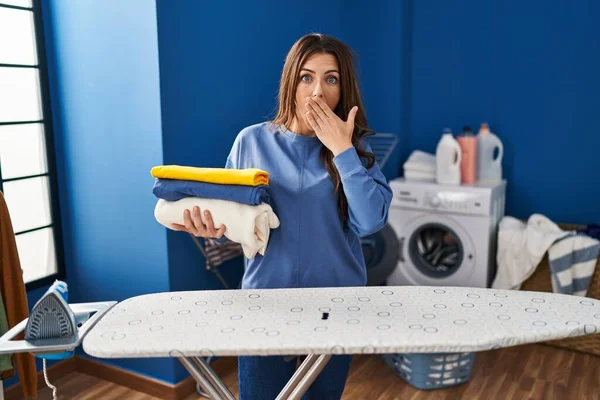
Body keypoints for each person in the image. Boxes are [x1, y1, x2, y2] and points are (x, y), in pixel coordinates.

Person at [172, 33, 393, 400]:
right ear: (291, 82)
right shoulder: (251, 142)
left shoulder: (355, 149)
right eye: (306, 77)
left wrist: (341, 149)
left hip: (335, 308)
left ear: (344, 89)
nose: (317, 91)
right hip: (265, 305)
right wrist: (211, 229)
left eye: (331, 78)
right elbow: (235, 221)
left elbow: (370, 222)